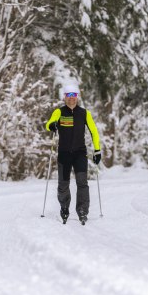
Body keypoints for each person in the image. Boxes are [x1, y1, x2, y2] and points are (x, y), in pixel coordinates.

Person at [45, 84, 101, 224]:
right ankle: (64, 207)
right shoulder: (59, 112)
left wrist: (97, 150)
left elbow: (94, 131)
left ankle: (82, 210)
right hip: (64, 153)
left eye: (74, 96)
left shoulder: (84, 113)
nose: (71, 99)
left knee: (82, 183)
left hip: (80, 153)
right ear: (65, 97)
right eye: (69, 96)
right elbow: (49, 123)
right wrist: (52, 125)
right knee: (63, 184)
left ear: (77, 97)